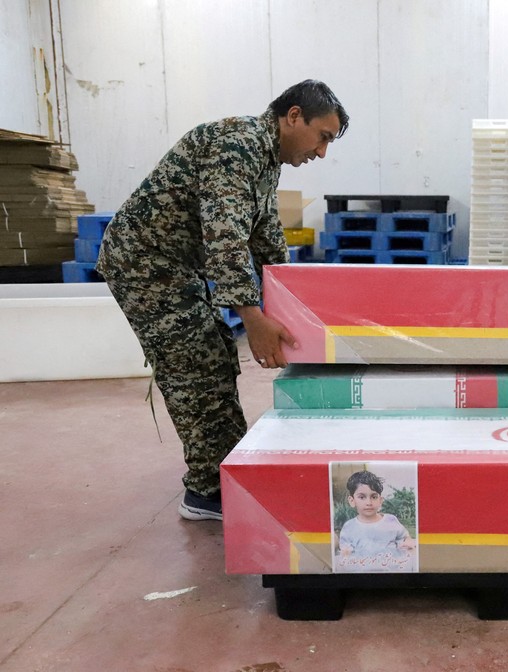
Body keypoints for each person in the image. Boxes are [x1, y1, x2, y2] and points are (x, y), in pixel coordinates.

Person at [96, 80, 349, 521]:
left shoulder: (267, 160)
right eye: (322, 137)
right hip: (145, 262)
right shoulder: (237, 146)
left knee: (213, 357)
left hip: (177, 265)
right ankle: (207, 492)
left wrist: (295, 304)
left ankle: (224, 473)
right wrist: (253, 317)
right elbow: (225, 237)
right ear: (293, 116)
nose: (322, 152)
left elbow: (266, 235)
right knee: (196, 366)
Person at [337, 471, 416, 572]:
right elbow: (345, 551)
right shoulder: (349, 527)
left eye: (374, 497)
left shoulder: (390, 520)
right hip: (363, 572)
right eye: (362, 497)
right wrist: (346, 553)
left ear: (380, 500)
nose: (369, 502)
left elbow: (404, 537)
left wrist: (408, 541)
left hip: (391, 570)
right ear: (352, 501)